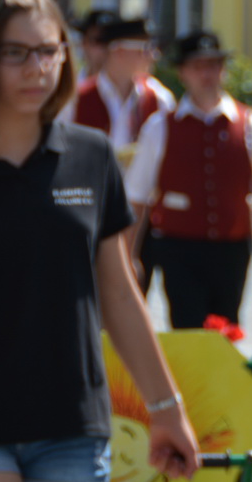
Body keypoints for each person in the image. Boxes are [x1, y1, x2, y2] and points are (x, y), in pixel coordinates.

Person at [0, 0, 199, 482]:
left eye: (47, 50)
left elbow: (119, 292)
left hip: (70, 428)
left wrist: (167, 409)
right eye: (14, 51)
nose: (35, 67)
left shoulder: (87, 155)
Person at [125, 31, 252, 330]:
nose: (207, 74)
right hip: (178, 247)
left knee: (228, 326)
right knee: (188, 327)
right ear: (182, 72)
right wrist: (130, 255)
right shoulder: (160, 126)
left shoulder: (250, 122)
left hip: (232, 247)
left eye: (213, 65)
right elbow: (137, 195)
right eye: (198, 66)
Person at [61, 17, 176, 291]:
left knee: (134, 295)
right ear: (118, 51)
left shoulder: (160, 98)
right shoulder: (76, 97)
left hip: (140, 218)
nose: (153, 55)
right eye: (145, 48)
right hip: (88, 213)